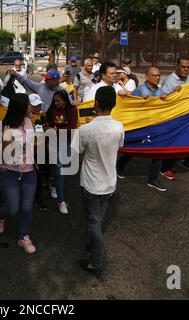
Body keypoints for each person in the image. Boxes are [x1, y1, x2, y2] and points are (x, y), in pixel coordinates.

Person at [73, 86, 124, 276]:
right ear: (114, 105)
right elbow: (118, 147)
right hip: (109, 182)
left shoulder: (85, 129)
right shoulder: (119, 127)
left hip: (91, 183)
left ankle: (97, 261)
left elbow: (78, 154)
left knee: (94, 221)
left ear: (96, 103)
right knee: (99, 219)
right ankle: (92, 242)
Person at [0, 93, 37, 254]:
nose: (31, 107)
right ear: (20, 108)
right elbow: (3, 154)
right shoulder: (6, 128)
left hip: (29, 172)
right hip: (9, 172)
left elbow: (32, 142)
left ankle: (23, 237)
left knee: (26, 207)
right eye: (28, 105)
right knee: (12, 208)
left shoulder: (28, 121)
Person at [117, 67, 167, 192]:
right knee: (134, 149)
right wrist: (139, 100)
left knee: (158, 152)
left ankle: (153, 179)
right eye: (154, 75)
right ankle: (120, 165)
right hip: (141, 126)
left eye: (158, 75)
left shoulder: (160, 90)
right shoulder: (140, 90)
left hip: (155, 126)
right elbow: (129, 103)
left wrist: (175, 94)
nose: (157, 78)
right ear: (147, 76)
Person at [159, 56, 189, 179]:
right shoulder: (169, 81)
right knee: (171, 143)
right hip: (171, 118)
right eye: (183, 66)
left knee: (180, 143)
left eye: (188, 67)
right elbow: (162, 99)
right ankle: (165, 168)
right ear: (177, 66)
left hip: (183, 117)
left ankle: (171, 163)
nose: (186, 69)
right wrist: (173, 92)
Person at [46, 90, 78, 214]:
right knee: (61, 171)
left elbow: (71, 128)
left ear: (65, 100)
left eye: (58, 100)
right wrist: (51, 131)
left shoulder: (73, 110)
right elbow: (47, 126)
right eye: (54, 101)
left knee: (65, 165)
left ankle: (52, 183)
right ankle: (61, 201)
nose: (56, 103)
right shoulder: (51, 111)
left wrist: (55, 130)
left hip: (67, 141)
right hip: (55, 142)